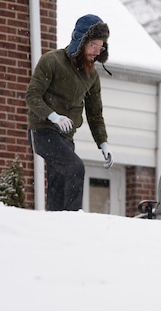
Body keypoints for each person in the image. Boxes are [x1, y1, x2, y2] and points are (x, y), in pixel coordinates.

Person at [26, 14, 113, 211]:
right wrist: (53, 116)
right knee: (75, 168)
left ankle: (56, 225)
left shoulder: (91, 76)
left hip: (66, 137)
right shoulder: (52, 61)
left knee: (59, 185)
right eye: (93, 46)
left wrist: (103, 143)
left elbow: (95, 114)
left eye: (101, 48)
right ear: (80, 41)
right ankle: (74, 219)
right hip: (42, 131)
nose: (96, 52)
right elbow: (32, 95)